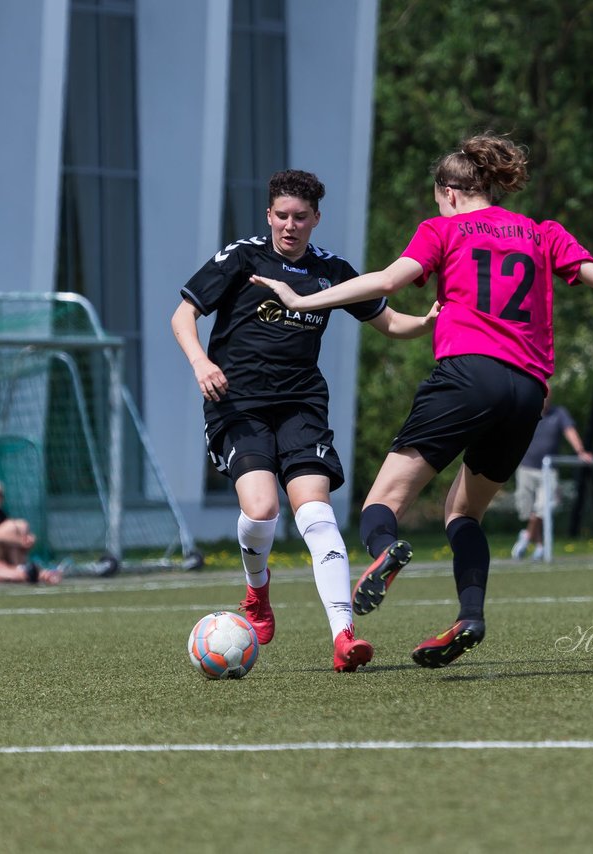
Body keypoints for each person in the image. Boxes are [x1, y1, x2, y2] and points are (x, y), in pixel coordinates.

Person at [252, 134, 593, 668]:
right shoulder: (542, 232)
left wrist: (302, 296)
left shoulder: (442, 229)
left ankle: (386, 547)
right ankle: (470, 615)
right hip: (528, 392)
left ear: (449, 193)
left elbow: (385, 281)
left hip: (466, 375)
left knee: (381, 504)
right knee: (464, 512)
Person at [171, 168, 439, 673]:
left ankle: (344, 635)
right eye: (281, 216)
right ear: (268, 214)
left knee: (316, 512)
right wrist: (201, 363)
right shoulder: (242, 257)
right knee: (262, 509)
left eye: (300, 217)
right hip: (238, 403)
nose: (289, 226)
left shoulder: (333, 271)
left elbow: (389, 322)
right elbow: (182, 317)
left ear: (317, 218)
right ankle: (257, 591)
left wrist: (426, 323)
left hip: (302, 404)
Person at [511, 390, 593, 561]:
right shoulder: (526, 410)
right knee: (529, 510)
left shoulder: (559, 413)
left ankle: (526, 538)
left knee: (544, 507)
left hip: (548, 470)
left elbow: (570, 431)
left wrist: (580, 451)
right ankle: (540, 546)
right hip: (526, 467)